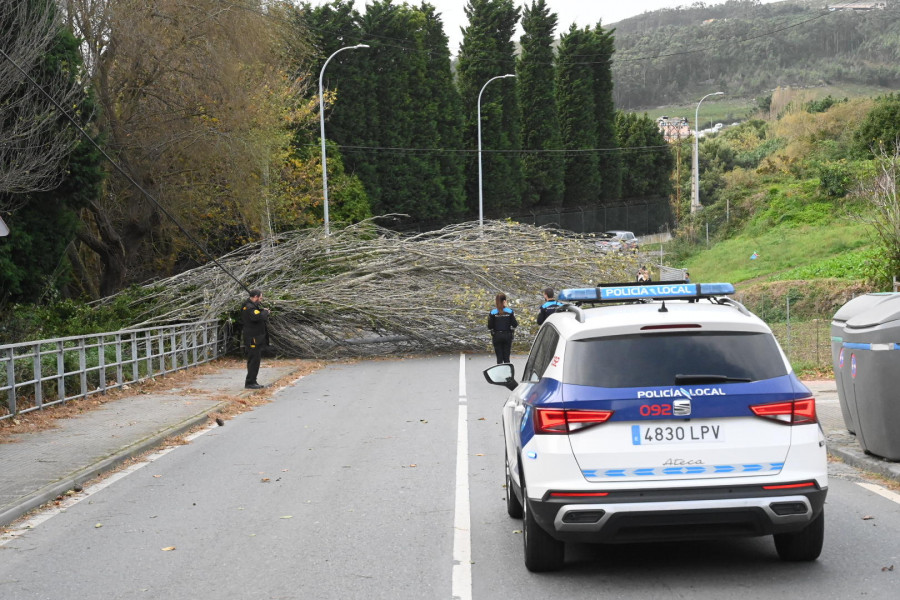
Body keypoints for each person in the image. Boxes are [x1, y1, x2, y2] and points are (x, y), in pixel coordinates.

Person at [242, 289, 270, 389]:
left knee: (256, 359)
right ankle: (250, 382)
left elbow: (258, 313)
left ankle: (253, 380)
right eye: (260, 298)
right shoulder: (249, 307)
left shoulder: (252, 305)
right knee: (253, 360)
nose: (261, 300)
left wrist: (264, 311)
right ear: (255, 297)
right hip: (252, 338)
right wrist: (265, 313)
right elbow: (257, 317)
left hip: (256, 337)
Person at [487, 292, 517, 364]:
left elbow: (490, 326)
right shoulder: (509, 311)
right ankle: (507, 373)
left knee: (499, 358)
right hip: (507, 335)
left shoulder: (493, 312)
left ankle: (500, 373)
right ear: (504, 301)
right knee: (506, 357)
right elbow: (515, 324)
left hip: (497, 335)